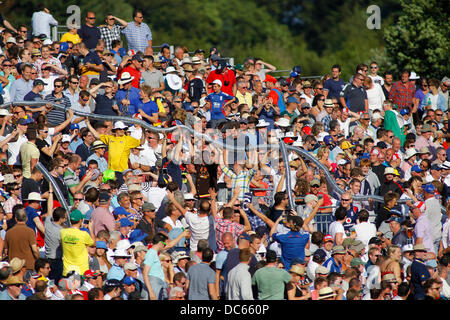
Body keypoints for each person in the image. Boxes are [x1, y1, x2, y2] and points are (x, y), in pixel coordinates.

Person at [60, 210, 94, 277]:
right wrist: (90, 228)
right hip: (81, 270)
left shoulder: (63, 232)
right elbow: (93, 242)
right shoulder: (83, 234)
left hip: (67, 270)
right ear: (80, 220)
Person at [4, 206, 39, 270]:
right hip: (28, 266)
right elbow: (35, 250)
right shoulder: (30, 231)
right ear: (26, 219)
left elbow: (6, 251)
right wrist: (38, 259)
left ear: (16, 219)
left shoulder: (8, 233)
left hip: (14, 267)